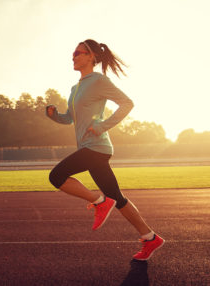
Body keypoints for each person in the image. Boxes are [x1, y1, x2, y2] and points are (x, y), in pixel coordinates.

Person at [46, 39, 164, 261]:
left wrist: (101, 126)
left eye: (78, 52)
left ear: (91, 56)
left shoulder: (99, 81)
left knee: (56, 176)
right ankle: (150, 238)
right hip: (89, 147)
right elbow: (70, 118)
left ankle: (100, 202)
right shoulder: (75, 88)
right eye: (73, 53)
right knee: (117, 198)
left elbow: (127, 103)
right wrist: (54, 116)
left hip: (97, 147)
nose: (73, 56)